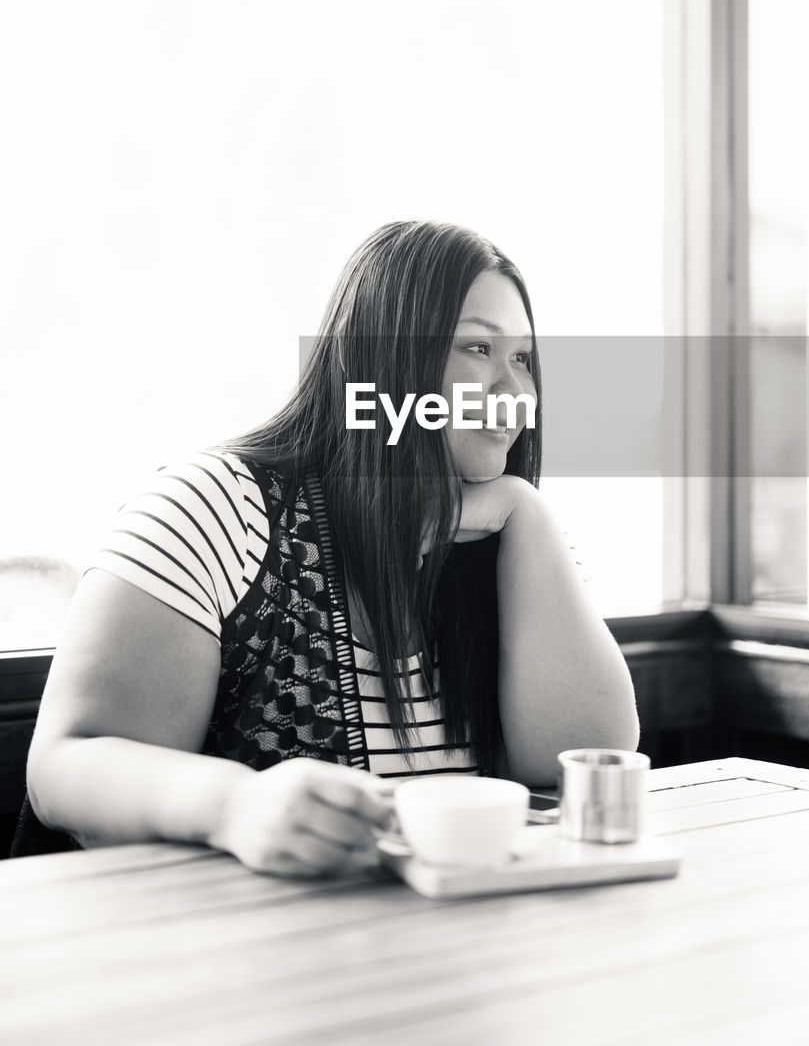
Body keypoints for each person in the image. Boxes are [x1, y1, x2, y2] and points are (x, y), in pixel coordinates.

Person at [19, 221, 639, 873]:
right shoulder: (213, 507)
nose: (516, 394)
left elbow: (579, 759)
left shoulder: (508, 538)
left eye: (523, 359)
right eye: (478, 349)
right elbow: (63, 768)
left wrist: (530, 516)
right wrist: (236, 806)